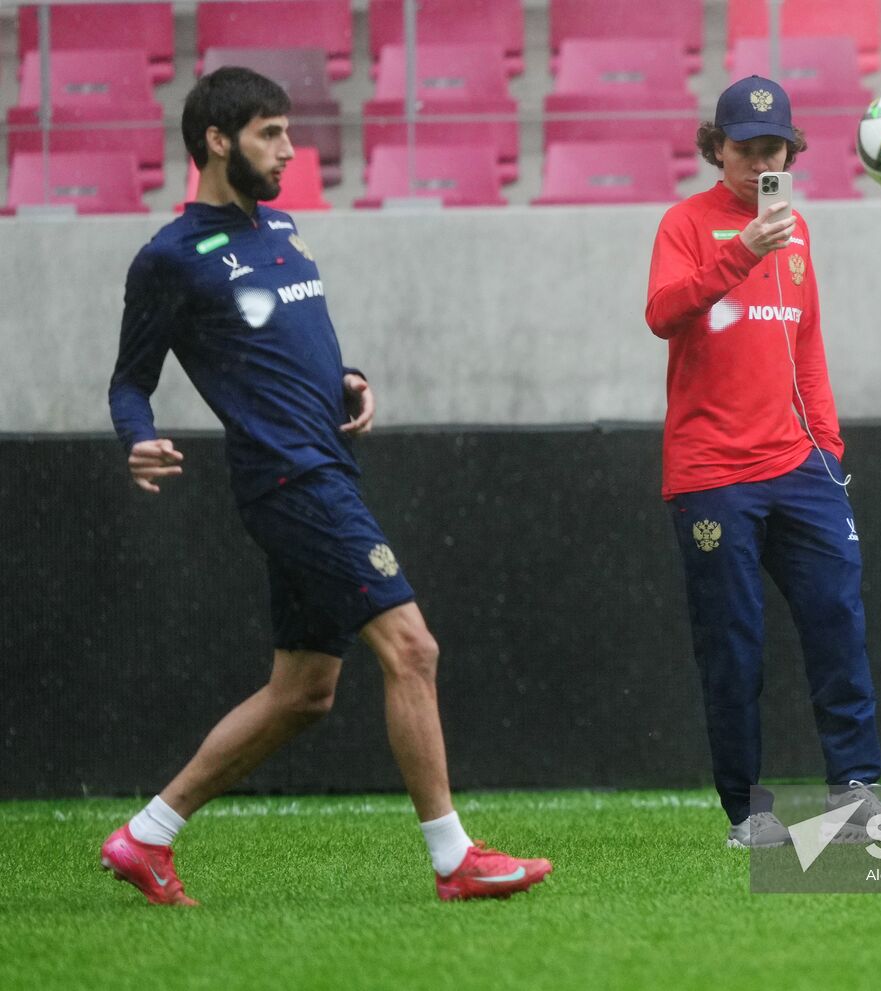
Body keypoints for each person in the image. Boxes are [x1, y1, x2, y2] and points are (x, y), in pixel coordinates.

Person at [101, 67, 551, 904]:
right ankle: (454, 859)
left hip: (321, 462)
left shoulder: (284, 227)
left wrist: (346, 379)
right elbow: (130, 381)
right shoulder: (169, 257)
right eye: (270, 133)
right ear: (217, 141)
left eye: (287, 132)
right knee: (412, 648)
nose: (289, 150)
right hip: (289, 478)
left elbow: (291, 341)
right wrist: (139, 437)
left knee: (304, 692)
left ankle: (145, 837)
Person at [645, 76, 881, 849]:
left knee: (838, 621)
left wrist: (829, 447)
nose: (762, 162)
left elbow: (807, 342)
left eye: (775, 149)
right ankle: (748, 811)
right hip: (712, 473)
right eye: (747, 148)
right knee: (735, 644)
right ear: (716, 149)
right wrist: (740, 253)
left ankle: (854, 793)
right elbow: (662, 313)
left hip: (800, 466)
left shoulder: (799, 231)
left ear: (792, 152)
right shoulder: (685, 223)